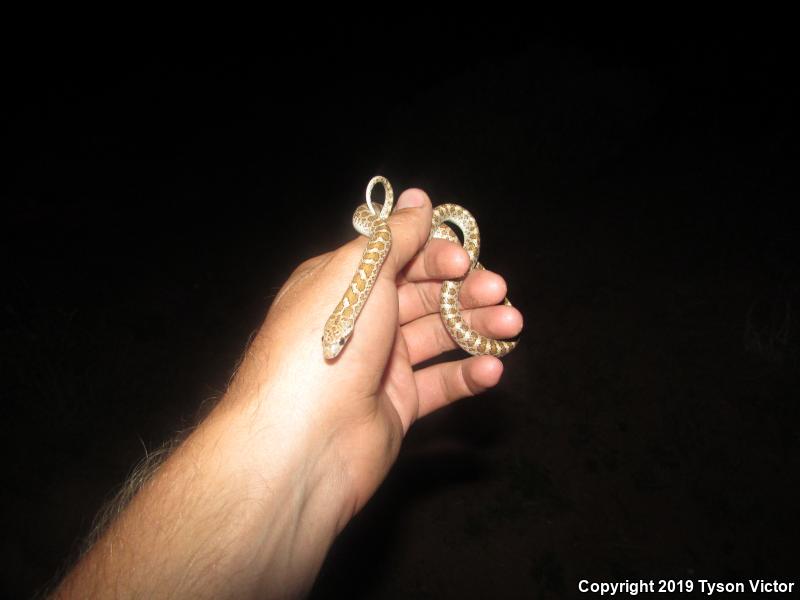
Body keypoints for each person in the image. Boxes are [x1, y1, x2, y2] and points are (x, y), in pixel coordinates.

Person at [54, 187, 524, 598]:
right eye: (336, 339)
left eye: (337, 338)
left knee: (468, 289)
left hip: (421, 238)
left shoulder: (376, 257)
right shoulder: (348, 308)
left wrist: (398, 225)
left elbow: (379, 233)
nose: (336, 347)